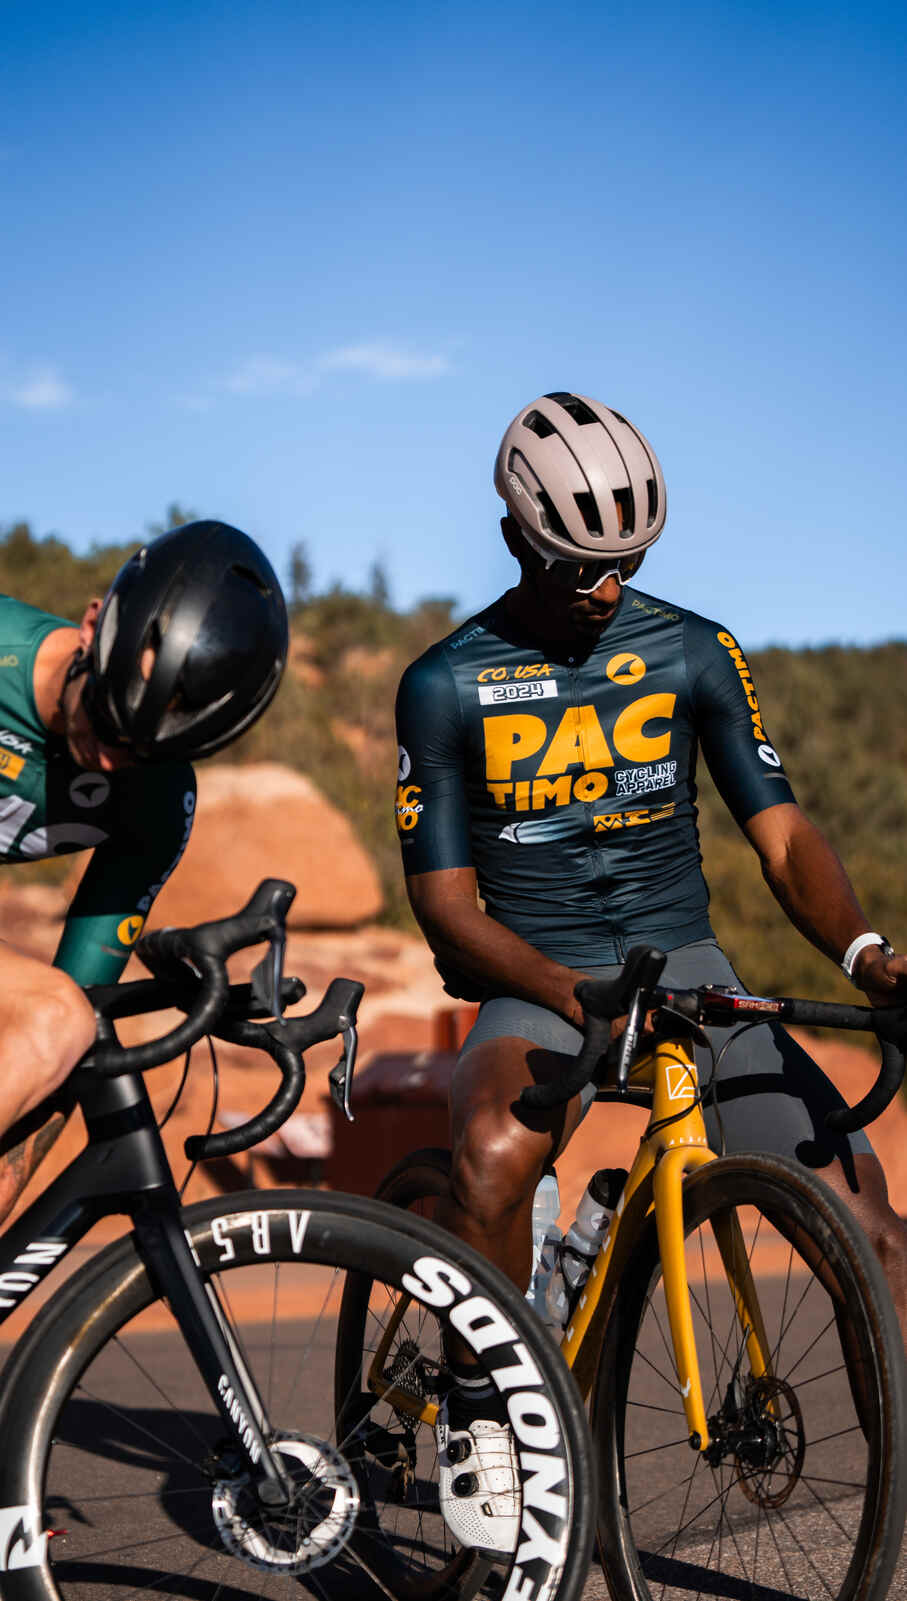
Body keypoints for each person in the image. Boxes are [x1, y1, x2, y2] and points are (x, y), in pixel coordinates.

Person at [394, 391, 907, 1556]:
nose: (609, 585)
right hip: (535, 970)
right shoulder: (443, 680)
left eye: (627, 559)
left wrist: (865, 951)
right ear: (519, 535)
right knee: (485, 1154)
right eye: (583, 565)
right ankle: (481, 1407)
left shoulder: (690, 646)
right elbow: (442, 904)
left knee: (878, 1238)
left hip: (687, 968)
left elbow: (780, 834)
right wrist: (569, 991)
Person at [0, 519, 288, 1599]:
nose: (105, 756)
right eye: (101, 723)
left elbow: (72, 1021)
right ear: (92, 622)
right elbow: (47, 1012)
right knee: (38, 1014)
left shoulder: (152, 792)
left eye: (140, 751)